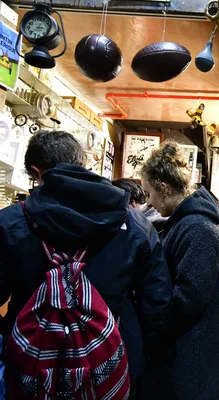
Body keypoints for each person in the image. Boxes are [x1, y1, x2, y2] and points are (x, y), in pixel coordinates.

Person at [0, 130, 172, 392]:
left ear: (36, 172)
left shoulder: (10, 222)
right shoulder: (135, 223)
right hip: (110, 361)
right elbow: (157, 305)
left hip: (32, 366)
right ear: (84, 163)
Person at [139, 142, 219, 399]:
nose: (148, 202)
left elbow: (188, 300)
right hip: (189, 355)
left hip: (194, 361)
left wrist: (151, 324)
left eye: (148, 194)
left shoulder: (198, 229)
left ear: (164, 188)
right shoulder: (185, 225)